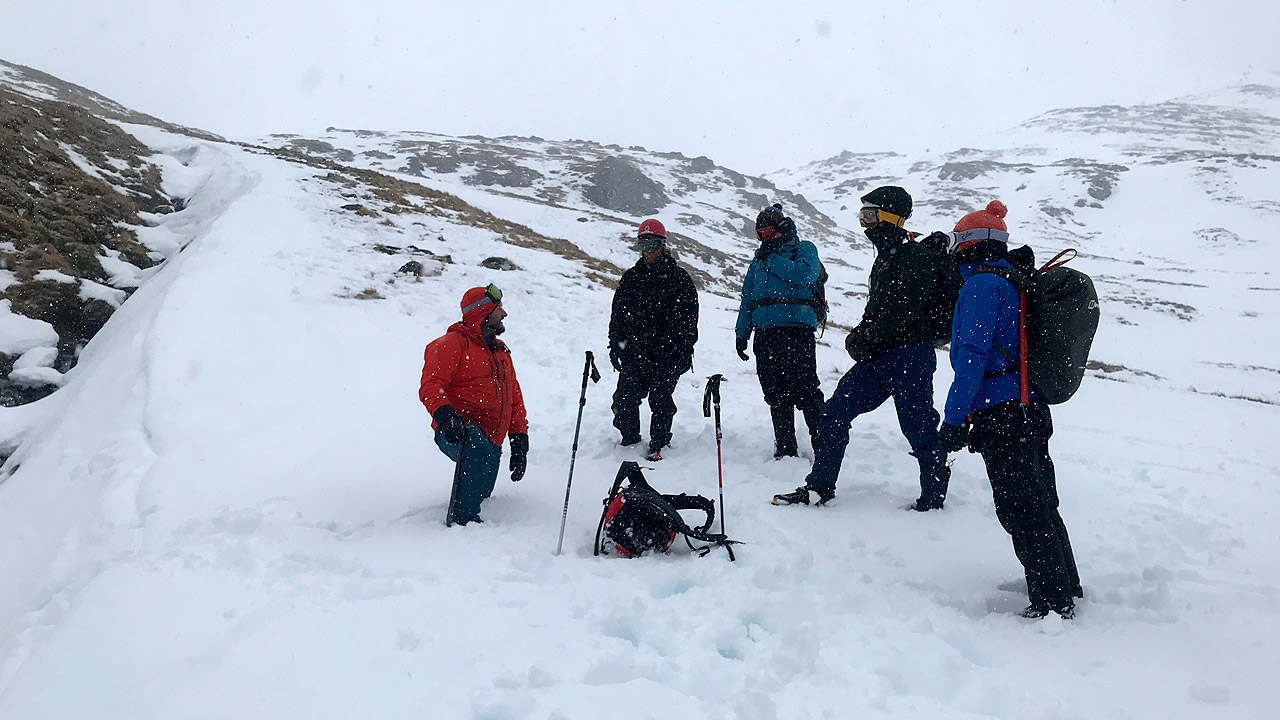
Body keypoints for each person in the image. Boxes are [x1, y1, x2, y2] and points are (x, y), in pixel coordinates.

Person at [937, 200, 1082, 619]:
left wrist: (953, 417)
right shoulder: (1015, 281)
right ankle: (1063, 583)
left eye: (957, 243)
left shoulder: (981, 286)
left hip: (1002, 412)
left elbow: (971, 357)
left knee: (1020, 506)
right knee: (1040, 501)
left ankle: (1053, 604)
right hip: (1029, 408)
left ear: (970, 246)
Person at [773, 186, 949, 510]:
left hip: (910, 354)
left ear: (889, 217)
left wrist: (868, 337)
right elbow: (879, 308)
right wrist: (860, 334)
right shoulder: (885, 258)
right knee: (835, 412)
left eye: (870, 215)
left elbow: (904, 309)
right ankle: (819, 487)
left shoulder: (914, 256)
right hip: (881, 355)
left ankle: (934, 496)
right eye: (862, 216)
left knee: (917, 425)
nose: (866, 224)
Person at [419, 284, 529, 526]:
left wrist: (519, 438)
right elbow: (430, 385)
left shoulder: (501, 352)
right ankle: (462, 526)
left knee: (482, 492)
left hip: (492, 439)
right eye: (499, 308)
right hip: (457, 430)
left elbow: (514, 398)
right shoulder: (451, 344)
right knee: (475, 451)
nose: (504, 314)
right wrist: (447, 417)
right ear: (483, 313)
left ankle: (470, 513)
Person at [735, 203, 826, 458]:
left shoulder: (804, 249)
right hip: (764, 335)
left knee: (806, 390)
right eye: (761, 235)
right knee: (775, 393)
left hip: (796, 331)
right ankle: (785, 449)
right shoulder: (758, 260)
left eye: (769, 233)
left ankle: (824, 445)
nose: (765, 239)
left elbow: (804, 275)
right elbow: (748, 298)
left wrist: (772, 258)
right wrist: (742, 333)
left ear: (782, 230)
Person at [608, 219, 699, 461]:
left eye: (653, 245)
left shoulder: (680, 279)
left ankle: (658, 443)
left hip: (668, 353)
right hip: (635, 352)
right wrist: (615, 345)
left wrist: (685, 348)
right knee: (623, 400)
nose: (648, 251)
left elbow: (690, 318)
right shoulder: (631, 278)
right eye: (643, 245)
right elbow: (617, 315)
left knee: (660, 399)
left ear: (663, 245)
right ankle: (630, 442)